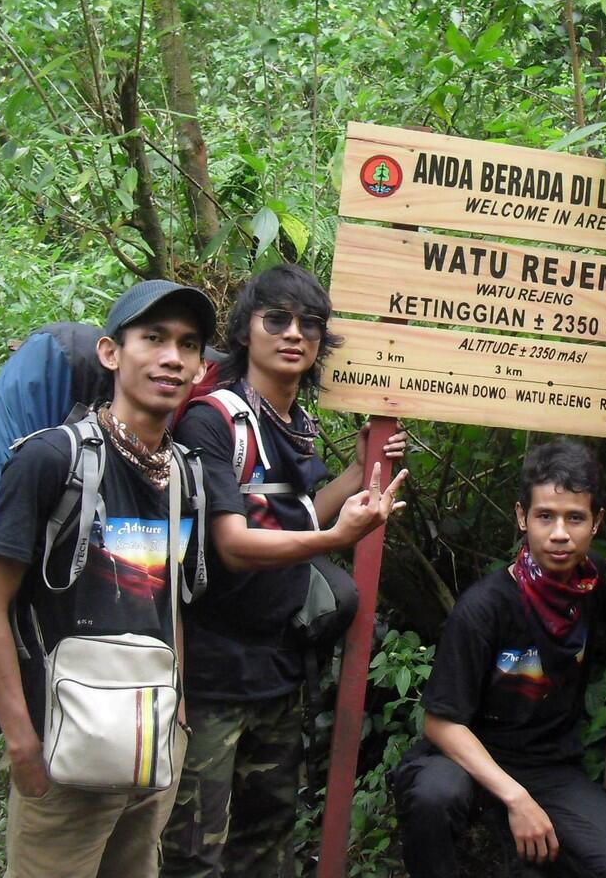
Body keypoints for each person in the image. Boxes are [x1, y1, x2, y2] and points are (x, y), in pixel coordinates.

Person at [0, 280, 219, 878]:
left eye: (186, 345)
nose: (171, 357)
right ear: (111, 353)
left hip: (150, 746)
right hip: (62, 755)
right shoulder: (51, 460)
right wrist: (23, 746)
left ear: (201, 368)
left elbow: (169, 601)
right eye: (152, 338)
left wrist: (176, 718)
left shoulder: (183, 474)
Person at [160, 263, 407, 878]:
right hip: (212, 677)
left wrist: (356, 474)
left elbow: (294, 521)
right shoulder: (212, 420)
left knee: (266, 840)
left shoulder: (293, 425)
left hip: (277, 671)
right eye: (278, 319)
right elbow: (234, 544)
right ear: (247, 329)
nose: (294, 334)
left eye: (311, 324)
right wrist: (335, 536)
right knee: (195, 851)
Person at [393, 439, 606, 878]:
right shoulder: (485, 606)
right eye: (545, 516)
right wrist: (516, 798)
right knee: (434, 795)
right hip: (465, 761)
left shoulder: (589, 584)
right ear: (522, 516)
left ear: (596, 523)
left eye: (575, 518)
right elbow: (439, 722)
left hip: (547, 766)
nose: (559, 533)